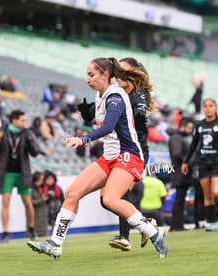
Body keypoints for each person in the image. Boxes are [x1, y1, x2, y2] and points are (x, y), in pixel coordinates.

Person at [27, 57, 168, 259]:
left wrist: (83, 139)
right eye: (87, 74)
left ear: (105, 75)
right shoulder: (100, 95)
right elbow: (103, 120)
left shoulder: (116, 96)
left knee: (111, 199)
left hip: (128, 155)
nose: (87, 79)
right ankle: (55, 244)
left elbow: (108, 127)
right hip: (109, 157)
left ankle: (155, 234)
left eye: (91, 75)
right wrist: (88, 114)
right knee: (73, 192)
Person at [77, 56, 155, 252]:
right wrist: (89, 113)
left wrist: (136, 114)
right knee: (106, 199)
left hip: (134, 150)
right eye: (118, 74)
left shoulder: (138, 96)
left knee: (116, 195)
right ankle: (144, 223)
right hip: (117, 150)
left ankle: (125, 236)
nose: (118, 79)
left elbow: (136, 116)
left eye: (123, 74)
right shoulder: (114, 95)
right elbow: (106, 116)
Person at [0, 109, 43, 243]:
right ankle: (5, 233)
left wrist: (32, 139)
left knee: (27, 201)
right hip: (6, 172)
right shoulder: (3, 132)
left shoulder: (27, 133)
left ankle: (31, 229)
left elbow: (35, 152)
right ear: (14, 120)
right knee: (5, 201)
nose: (25, 122)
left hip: (22, 172)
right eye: (22, 120)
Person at [181, 98, 218, 232]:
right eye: (205, 106)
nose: (208, 108)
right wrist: (186, 161)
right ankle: (212, 222)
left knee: (216, 192)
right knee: (207, 194)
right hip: (202, 163)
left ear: (215, 108)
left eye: (211, 106)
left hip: (217, 163)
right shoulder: (199, 125)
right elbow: (193, 144)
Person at [167, 117, 194, 231]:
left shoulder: (177, 137)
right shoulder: (177, 138)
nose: (190, 130)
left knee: (180, 199)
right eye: (189, 128)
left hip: (180, 173)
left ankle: (177, 224)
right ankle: (177, 225)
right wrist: (186, 163)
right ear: (182, 126)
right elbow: (177, 154)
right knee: (179, 200)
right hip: (180, 173)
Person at [31, 171, 48, 238]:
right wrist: (42, 199)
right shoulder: (30, 189)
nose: (42, 181)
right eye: (41, 179)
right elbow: (30, 203)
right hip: (35, 219)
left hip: (43, 218)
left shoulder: (42, 188)